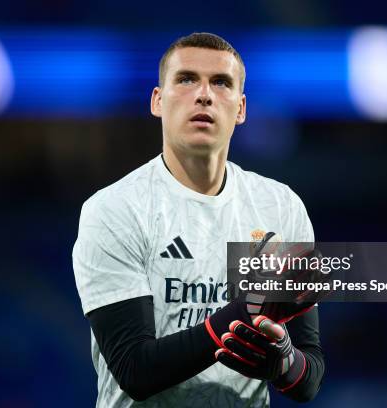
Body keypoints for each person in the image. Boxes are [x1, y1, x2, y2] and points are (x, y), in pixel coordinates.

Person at [72, 32, 324, 407]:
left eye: (220, 82)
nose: (204, 94)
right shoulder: (115, 209)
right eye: (186, 79)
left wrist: (284, 361)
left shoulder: (280, 207)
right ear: (158, 101)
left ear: (241, 109)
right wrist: (246, 312)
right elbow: (135, 371)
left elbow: (309, 380)